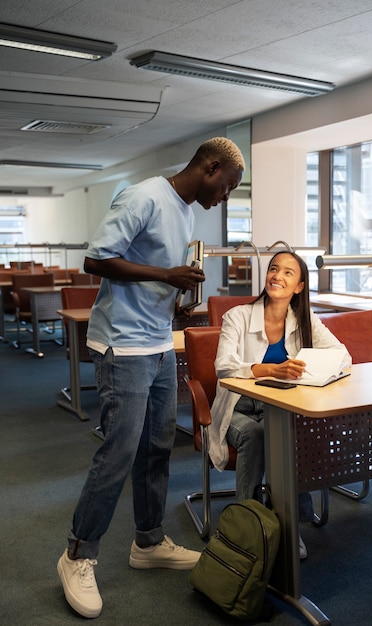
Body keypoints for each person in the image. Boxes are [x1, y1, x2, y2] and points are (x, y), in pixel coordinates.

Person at [57, 137, 245, 618]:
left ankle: (148, 541)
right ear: (209, 166)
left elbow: (155, 274)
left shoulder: (186, 211)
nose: (224, 198)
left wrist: (177, 302)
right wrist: (166, 276)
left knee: (157, 446)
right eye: (226, 187)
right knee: (119, 450)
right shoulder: (142, 195)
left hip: (160, 343)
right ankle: (78, 553)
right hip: (122, 346)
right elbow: (96, 260)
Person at [208, 249, 351, 559]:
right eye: (274, 269)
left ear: (299, 286)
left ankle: (289, 526)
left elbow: (343, 355)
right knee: (257, 435)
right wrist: (271, 369)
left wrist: (313, 365)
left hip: (279, 406)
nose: (278, 276)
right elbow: (224, 366)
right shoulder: (238, 316)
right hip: (239, 407)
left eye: (288, 272)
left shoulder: (304, 319)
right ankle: (246, 526)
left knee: (293, 437)